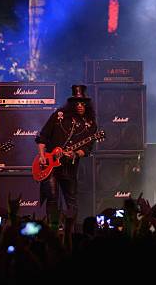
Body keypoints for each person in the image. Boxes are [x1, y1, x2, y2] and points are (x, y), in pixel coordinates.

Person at [35, 85, 97, 229]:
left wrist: (75, 153)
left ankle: (71, 230)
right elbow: (42, 136)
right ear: (72, 104)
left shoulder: (90, 124)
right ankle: (52, 228)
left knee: (71, 200)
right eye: (78, 103)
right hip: (50, 166)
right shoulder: (59, 116)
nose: (81, 106)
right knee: (52, 198)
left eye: (83, 103)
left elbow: (87, 149)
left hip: (70, 167)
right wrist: (42, 155)